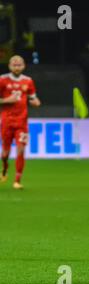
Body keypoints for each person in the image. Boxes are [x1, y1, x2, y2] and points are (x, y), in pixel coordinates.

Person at [0, 55, 41, 189]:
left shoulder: (28, 81)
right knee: (5, 153)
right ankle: (5, 168)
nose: (17, 67)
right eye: (14, 65)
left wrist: (35, 102)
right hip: (6, 121)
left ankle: (17, 180)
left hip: (22, 122)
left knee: (21, 150)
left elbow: (33, 98)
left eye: (19, 65)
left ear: (23, 66)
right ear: (9, 66)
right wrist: (7, 100)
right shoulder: (2, 80)